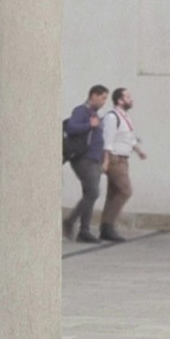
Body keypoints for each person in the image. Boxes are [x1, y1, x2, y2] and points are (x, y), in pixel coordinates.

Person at [99, 87, 147, 241]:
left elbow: (129, 138)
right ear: (119, 100)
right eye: (127, 97)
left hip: (123, 159)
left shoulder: (125, 117)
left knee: (113, 193)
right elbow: (107, 140)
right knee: (125, 191)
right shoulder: (112, 117)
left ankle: (106, 228)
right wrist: (106, 160)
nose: (130, 99)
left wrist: (138, 151)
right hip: (115, 159)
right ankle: (108, 225)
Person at [62, 85, 109, 243]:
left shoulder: (94, 114)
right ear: (93, 95)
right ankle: (69, 221)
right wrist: (89, 125)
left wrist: (103, 160)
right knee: (93, 193)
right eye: (102, 98)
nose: (104, 102)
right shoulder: (81, 111)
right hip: (84, 158)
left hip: (94, 160)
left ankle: (84, 230)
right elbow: (71, 127)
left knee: (89, 194)